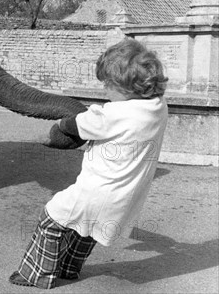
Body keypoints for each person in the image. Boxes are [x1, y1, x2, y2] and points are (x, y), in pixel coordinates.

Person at [10, 38, 169, 289]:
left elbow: (77, 124)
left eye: (108, 84)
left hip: (96, 190)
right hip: (126, 194)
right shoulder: (159, 109)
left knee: (52, 218)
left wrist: (59, 127)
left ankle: (36, 274)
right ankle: (69, 268)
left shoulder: (112, 114)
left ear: (124, 87)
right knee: (87, 228)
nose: (105, 89)